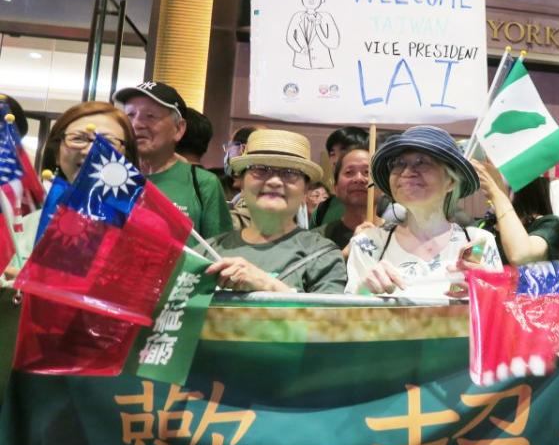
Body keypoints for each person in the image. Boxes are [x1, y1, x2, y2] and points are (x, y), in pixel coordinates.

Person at [345, 126, 501, 297]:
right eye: (398, 163)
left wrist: (485, 291)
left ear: (450, 181)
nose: (406, 172)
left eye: (422, 162)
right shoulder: (369, 244)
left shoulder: (477, 242)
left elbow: (499, 315)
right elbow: (347, 319)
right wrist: (364, 290)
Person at [206, 129, 346, 293]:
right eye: (260, 169)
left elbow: (329, 318)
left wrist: (267, 285)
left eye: (290, 173)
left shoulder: (323, 256)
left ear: (305, 190)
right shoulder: (208, 251)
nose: (274, 181)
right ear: (241, 183)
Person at [6, 101, 138, 273]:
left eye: (107, 142)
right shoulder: (22, 229)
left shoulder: (147, 228)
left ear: (126, 158)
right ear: (56, 155)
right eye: (78, 138)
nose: (90, 150)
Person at [115, 82, 232, 238]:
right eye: (130, 115)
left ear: (179, 128)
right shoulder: (111, 176)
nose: (136, 124)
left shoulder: (203, 183)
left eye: (150, 116)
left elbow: (219, 251)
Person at [474, 161, 559, 264]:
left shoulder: (550, 225)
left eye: (498, 173)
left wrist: (496, 193)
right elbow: (474, 263)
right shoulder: (483, 226)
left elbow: (520, 255)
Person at [319, 148, 380, 251]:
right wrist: (348, 252)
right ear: (336, 188)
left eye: (367, 172)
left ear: (383, 187)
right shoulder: (318, 238)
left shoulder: (400, 234)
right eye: (349, 172)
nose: (359, 179)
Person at [312, 126, 369, 228]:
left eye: (345, 151)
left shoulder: (389, 210)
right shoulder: (322, 209)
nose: (336, 159)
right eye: (332, 153)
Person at [286, 0, 341, 70]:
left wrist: (319, 29)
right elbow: (290, 37)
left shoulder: (326, 17)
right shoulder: (296, 17)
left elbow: (334, 43)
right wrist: (299, 49)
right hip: (301, 66)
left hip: (323, 66)